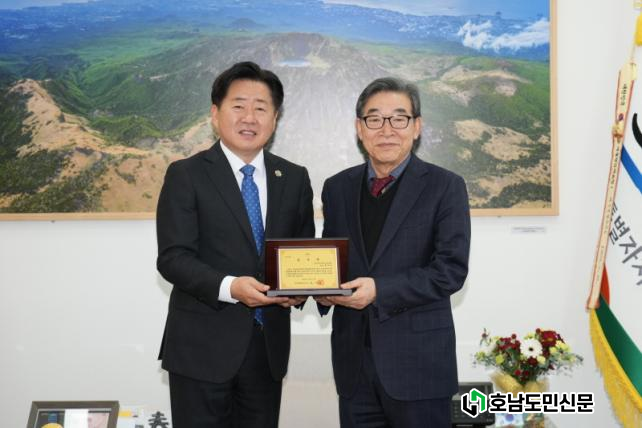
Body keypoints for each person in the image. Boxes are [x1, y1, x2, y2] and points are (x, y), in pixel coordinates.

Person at [156, 61, 314, 428]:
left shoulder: (293, 177)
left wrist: (300, 290)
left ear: (275, 119)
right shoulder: (186, 174)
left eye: (261, 108)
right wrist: (232, 288)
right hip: (200, 350)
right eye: (238, 106)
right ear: (215, 114)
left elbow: (303, 252)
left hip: (266, 350)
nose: (249, 118)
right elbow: (173, 258)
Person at [316, 77, 471, 427]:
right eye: (374, 119)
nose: (386, 130)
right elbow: (333, 260)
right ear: (360, 128)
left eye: (399, 118)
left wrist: (378, 290)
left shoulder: (446, 186)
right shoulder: (337, 188)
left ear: (416, 127)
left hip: (419, 367)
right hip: (354, 367)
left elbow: (450, 270)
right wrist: (323, 291)